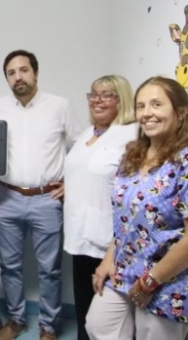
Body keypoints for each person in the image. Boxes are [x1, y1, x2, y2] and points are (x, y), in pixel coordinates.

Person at [86, 76, 188, 340]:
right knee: (98, 326)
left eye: (156, 104)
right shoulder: (132, 156)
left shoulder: (184, 162)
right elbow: (126, 218)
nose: (147, 113)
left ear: (180, 112)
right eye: (141, 106)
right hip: (125, 268)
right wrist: (109, 258)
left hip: (169, 277)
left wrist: (150, 281)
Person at [0, 50, 82, 340]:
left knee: (50, 270)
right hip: (7, 198)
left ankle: (48, 328)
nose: (18, 77)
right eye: (11, 73)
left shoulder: (60, 106)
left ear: (36, 73)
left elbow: (81, 147)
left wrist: (72, 184)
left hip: (47, 200)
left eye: (24, 70)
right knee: (9, 267)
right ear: (7, 78)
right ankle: (16, 321)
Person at [63, 75, 136, 340]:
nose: (97, 100)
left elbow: (133, 187)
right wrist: (67, 186)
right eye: (93, 94)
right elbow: (84, 172)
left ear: (122, 99)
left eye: (106, 95)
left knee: (105, 321)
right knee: (84, 310)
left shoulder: (131, 134)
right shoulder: (88, 133)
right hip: (79, 235)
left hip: (109, 242)